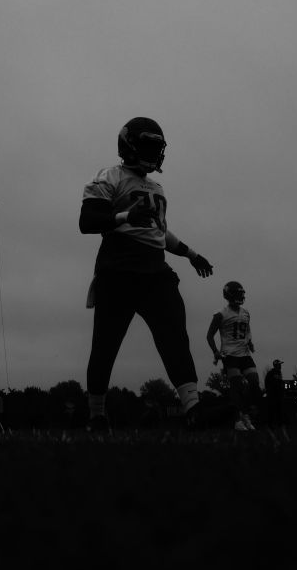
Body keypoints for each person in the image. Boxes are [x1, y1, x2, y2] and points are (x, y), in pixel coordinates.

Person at [79, 117, 215, 432]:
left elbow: (159, 233)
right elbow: (88, 221)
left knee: (174, 337)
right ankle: (97, 415)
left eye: (157, 146)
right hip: (119, 267)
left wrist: (192, 254)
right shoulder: (109, 176)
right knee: (106, 344)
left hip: (155, 270)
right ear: (128, 144)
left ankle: (194, 408)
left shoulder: (156, 187)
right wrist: (127, 215)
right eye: (148, 145)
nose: (153, 152)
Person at [206, 281, 260, 431]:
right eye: (237, 293)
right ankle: (238, 420)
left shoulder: (245, 313)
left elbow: (247, 330)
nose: (240, 296)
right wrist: (215, 351)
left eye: (241, 293)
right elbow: (209, 336)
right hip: (230, 354)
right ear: (229, 295)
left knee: (254, 383)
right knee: (236, 385)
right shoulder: (220, 314)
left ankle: (245, 414)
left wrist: (249, 342)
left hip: (244, 353)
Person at [263, 359, 285, 427]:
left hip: (278, 395)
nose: (280, 366)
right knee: (271, 410)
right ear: (276, 365)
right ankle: (270, 424)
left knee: (279, 410)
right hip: (272, 395)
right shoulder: (271, 373)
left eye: (280, 364)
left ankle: (279, 424)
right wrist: (269, 392)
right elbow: (267, 383)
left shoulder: (279, 373)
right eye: (279, 364)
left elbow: (280, 384)